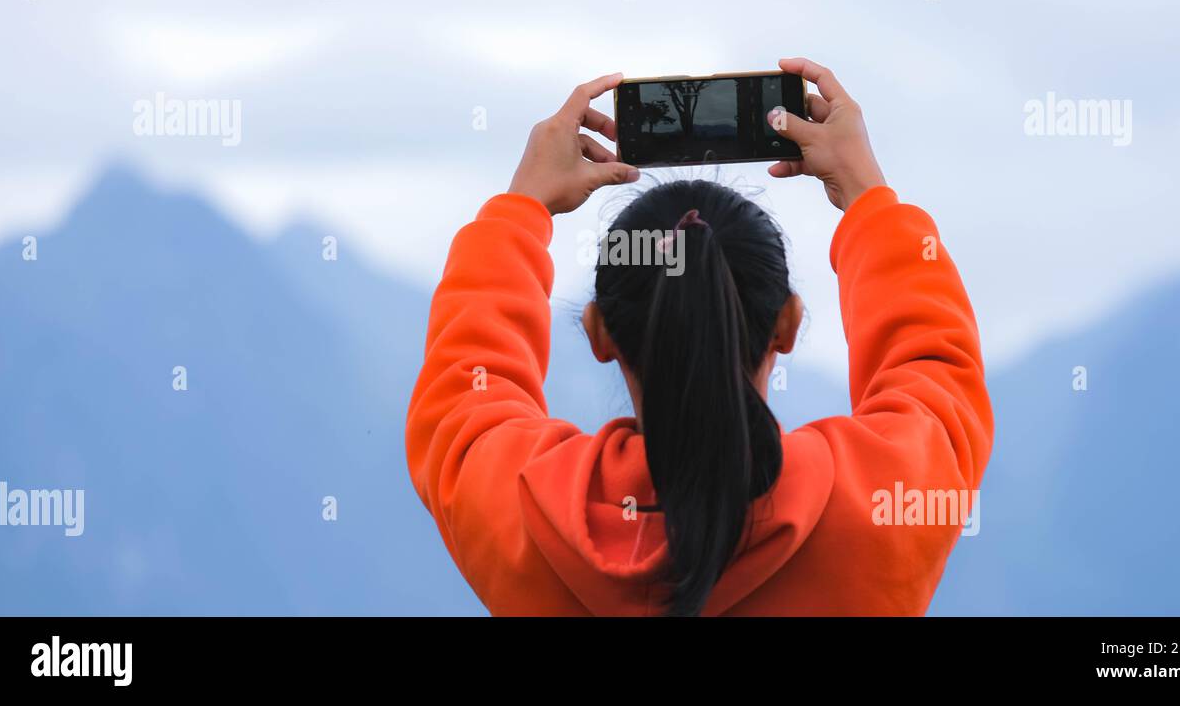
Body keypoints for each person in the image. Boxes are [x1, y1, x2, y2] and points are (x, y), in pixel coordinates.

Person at [406, 58, 993, 616]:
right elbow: (935, 369)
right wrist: (866, 194)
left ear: (598, 333)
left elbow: (464, 397)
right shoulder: (882, 506)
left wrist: (519, 210)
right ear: (787, 326)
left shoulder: (523, 511)